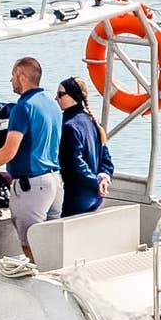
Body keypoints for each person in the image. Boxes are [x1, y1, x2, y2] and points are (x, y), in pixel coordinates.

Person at [0, 57, 62, 260]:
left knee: (30, 246)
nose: (11, 81)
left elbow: (9, 150)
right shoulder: (52, 104)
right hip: (54, 182)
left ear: (22, 76)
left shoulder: (23, 108)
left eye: (13, 76)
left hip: (32, 186)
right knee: (51, 244)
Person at [55, 77, 114, 217]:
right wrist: (103, 179)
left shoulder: (69, 126)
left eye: (60, 94)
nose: (56, 98)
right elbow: (106, 157)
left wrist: (95, 182)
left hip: (77, 196)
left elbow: (75, 163)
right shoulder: (92, 121)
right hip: (95, 197)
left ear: (73, 96)